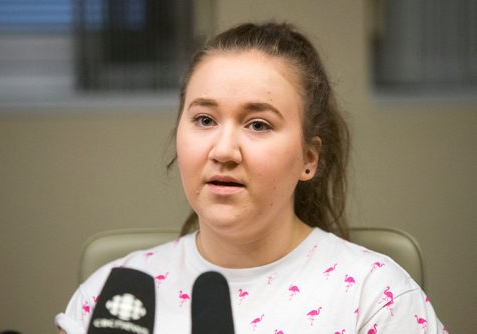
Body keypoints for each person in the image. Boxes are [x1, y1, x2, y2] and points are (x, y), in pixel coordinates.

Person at [55, 22, 446, 333]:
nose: (223, 151)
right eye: (204, 120)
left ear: (308, 158)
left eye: (258, 125)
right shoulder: (111, 296)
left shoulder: (377, 296)